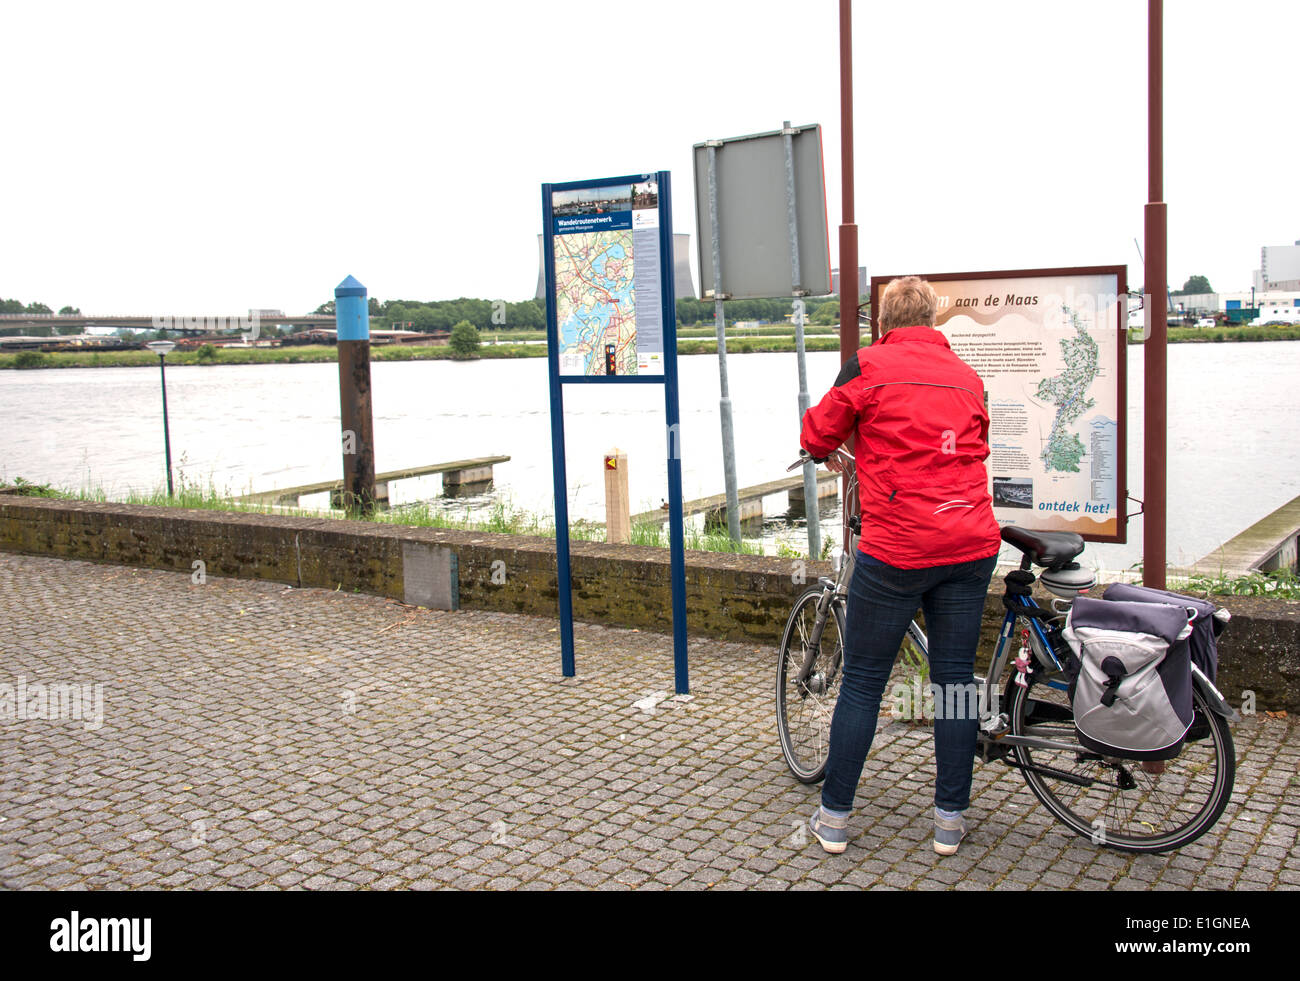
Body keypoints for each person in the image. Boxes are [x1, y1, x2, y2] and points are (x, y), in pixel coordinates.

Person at [798, 275, 1002, 857]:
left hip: (898, 549)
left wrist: (835, 448)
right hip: (969, 543)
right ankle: (949, 823)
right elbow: (978, 444)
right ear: (933, 320)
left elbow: (817, 432)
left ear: (884, 322)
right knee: (956, 681)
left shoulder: (866, 366)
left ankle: (834, 820)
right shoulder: (967, 376)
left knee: (863, 680)